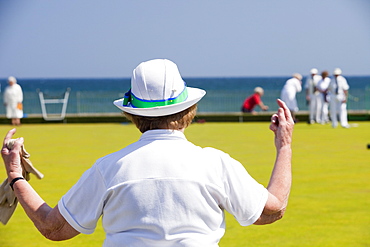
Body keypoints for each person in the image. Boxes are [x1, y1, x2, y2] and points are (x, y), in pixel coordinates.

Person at [1, 59, 294, 246]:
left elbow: (54, 228)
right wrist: (284, 146)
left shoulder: (109, 168)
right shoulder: (215, 163)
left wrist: (16, 177)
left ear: (133, 114)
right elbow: (273, 209)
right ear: (190, 109)